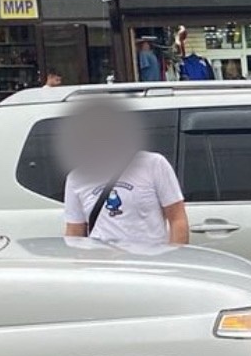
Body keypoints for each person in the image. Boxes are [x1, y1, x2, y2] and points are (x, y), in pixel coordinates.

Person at [61, 98, 189, 249]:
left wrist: (174, 258)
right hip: (104, 266)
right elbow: (75, 232)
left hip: (150, 263)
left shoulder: (153, 164)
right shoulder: (77, 178)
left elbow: (177, 218)